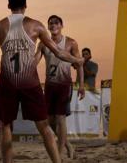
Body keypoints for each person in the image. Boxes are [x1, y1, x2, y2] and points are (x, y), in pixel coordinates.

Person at [0, 0, 83, 163]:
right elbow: (59, 52)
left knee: (6, 126)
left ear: (8, 6)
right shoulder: (36, 26)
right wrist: (78, 60)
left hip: (8, 82)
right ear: (26, 6)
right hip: (29, 83)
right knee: (44, 126)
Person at [35, 15, 85, 159]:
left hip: (64, 84)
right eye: (50, 23)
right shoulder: (43, 43)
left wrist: (81, 85)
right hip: (50, 85)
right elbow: (35, 60)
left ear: (62, 25)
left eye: (56, 23)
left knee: (60, 118)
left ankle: (59, 153)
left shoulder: (70, 43)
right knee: (49, 121)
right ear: (48, 27)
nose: (53, 25)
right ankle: (68, 145)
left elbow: (79, 64)